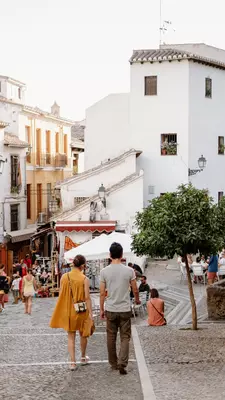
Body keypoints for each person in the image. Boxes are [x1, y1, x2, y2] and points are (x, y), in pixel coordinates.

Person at [100, 242, 140, 375]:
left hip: (111, 308)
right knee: (125, 337)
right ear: (122, 255)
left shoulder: (104, 272)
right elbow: (135, 289)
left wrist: (101, 309)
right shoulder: (129, 271)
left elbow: (101, 293)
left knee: (111, 336)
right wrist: (137, 299)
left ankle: (113, 362)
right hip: (124, 308)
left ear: (110, 255)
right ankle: (122, 363)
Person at [50, 255, 93, 371]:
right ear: (83, 265)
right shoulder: (84, 279)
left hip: (69, 311)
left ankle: (72, 362)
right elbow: (87, 298)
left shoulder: (64, 277)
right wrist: (91, 313)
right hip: (82, 310)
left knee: (71, 336)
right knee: (83, 334)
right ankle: (83, 358)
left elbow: (62, 295)